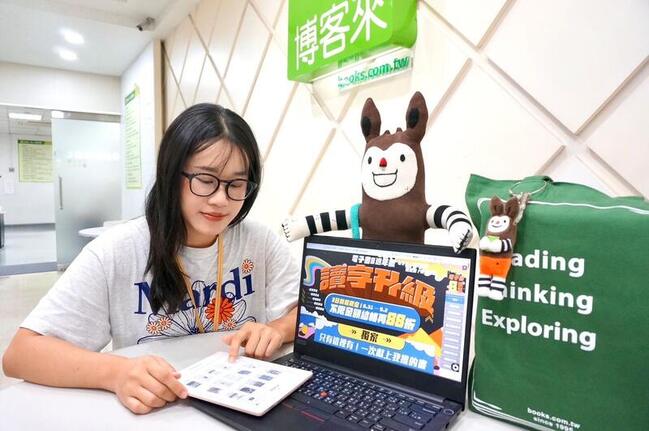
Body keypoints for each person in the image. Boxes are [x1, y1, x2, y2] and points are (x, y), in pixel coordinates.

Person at [2, 104, 300, 414]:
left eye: (235, 184)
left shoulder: (259, 241)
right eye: (205, 179)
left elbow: (306, 312)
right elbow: (20, 355)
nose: (220, 199)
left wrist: (278, 328)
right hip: (156, 411)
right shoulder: (117, 251)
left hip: (244, 403)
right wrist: (116, 372)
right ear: (171, 174)